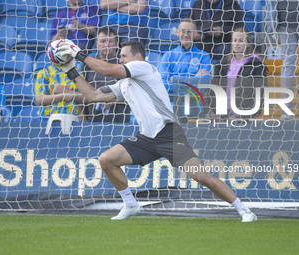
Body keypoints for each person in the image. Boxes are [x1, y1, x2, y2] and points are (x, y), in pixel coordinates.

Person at [52, 39, 257, 222]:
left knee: (202, 177)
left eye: (124, 56)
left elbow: (107, 70)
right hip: (146, 138)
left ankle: (244, 209)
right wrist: (72, 71)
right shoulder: (124, 84)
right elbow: (94, 96)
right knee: (107, 159)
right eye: (120, 56)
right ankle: (131, 204)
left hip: (168, 133)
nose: (120, 59)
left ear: (137, 57)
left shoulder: (145, 68)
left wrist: (78, 53)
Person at [210, 27, 267, 119]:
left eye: (241, 40)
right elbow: (215, 89)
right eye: (234, 40)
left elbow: (260, 92)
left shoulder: (256, 64)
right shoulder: (223, 63)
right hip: (224, 115)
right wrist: (217, 112)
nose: (237, 43)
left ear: (248, 43)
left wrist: (243, 116)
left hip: (246, 116)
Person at [159, 19, 211, 119]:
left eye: (190, 31)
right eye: (183, 31)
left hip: (195, 107)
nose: (186, 35)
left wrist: (174, 79)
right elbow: (163, 85)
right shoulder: (168, 56)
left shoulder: (204, 56)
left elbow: (204, 84)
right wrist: (193, 79)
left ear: (195, 34)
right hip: (171, 107)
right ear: (177, 33)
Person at [83, 27, 130, 123]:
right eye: (103, 41)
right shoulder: (89, 63)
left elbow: (132, 92)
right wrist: (82, 118)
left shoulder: (124, 63)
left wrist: (113, 99)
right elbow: (82, 90)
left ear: (117, 44)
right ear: (97, 44)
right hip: (91, 119)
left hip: (119, 119)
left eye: (110, 41)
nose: (106, 45)